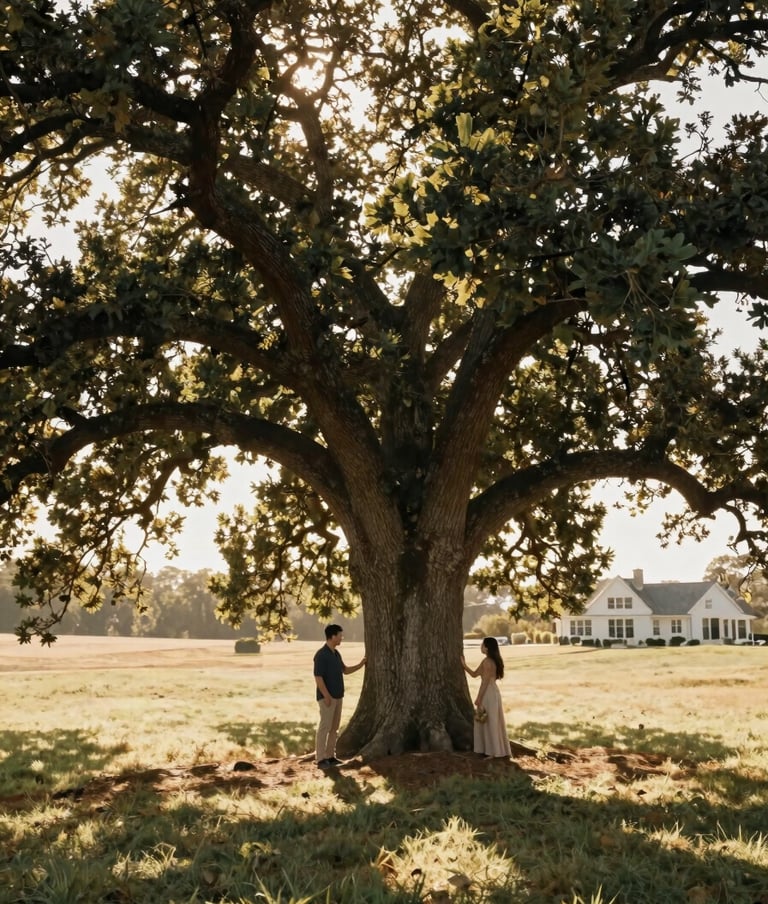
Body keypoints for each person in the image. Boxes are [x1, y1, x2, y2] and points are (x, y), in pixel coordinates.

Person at [314, 624, 366, 769]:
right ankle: (320, 759)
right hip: (327, 698)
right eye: (340, 635)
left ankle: (330, 756)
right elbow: (318, 677)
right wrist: (326, 695)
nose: (342, 637)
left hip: (338, 696)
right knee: (325, 727)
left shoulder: (336, 654)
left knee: (334, 728)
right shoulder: (321, 655)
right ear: (332, 636)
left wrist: (361, 664)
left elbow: (345, 670)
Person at [461, 637, 512, 758]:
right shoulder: (488, 660)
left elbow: (485, 682)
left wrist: (479, 698)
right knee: (488, 720)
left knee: (489, 720)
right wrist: (464, 665)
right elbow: (474, 674)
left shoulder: (488, 662)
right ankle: (490, 749)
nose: (481, 647)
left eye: (482, 645)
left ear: (487, 647)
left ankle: (494, 752)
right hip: (492, 692)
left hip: (488, 693)